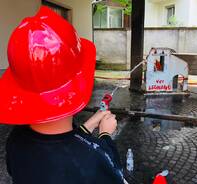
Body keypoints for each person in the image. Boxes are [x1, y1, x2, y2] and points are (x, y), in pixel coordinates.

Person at [0, 6, 124, 184]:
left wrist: (89, 124)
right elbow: (114, 173)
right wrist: (105, 135)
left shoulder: (16, 140)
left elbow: (60, 145)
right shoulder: (92, 158)